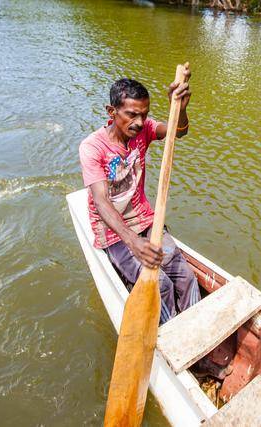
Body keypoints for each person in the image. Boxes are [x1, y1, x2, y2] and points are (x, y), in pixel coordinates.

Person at [78, 68, 200, 324]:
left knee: (187, 278)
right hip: (113, 231)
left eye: (143, 115)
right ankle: (167, 336)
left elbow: (179, 132)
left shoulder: (144, 130)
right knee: (161, 286)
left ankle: (194, 329)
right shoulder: (93, 147)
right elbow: (100, 201)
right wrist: (133, 242)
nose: (139, 122)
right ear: (111, 112)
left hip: (145, 220)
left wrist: (179, 107)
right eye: (131, 114)